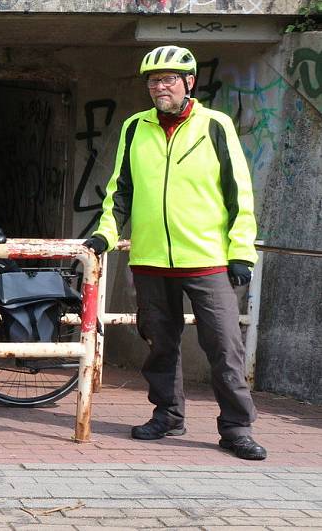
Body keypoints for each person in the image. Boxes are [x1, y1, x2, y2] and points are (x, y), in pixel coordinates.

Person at [83, 45, 265, 461]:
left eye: (167, 79)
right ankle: (167, 414)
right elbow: (119, 191)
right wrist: (106, 235)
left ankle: (236, 428)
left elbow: (240, 193)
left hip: (207, 259)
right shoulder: (134, 127)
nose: (158, 87)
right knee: (160, 344)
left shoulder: (215, 125)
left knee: (224, 347)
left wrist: (241, 252)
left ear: (189, 83)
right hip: (149, 260)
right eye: (152, 80)